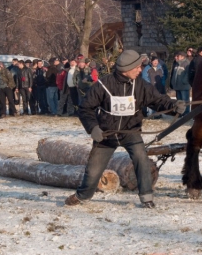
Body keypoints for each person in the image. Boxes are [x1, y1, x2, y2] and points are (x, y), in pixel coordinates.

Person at [64, 50, 186, 208]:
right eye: (137, 67)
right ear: (126, 69)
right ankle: (83, 195)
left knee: (142, 160)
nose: (140, 70)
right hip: (106, 134)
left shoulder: (141, 85)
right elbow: (85, 108)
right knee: (94, 169)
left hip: (131, 131)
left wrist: (173, 106)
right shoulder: (103, 84)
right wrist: (93, 127)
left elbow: (158, 100)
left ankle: (147, 197)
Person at [170, 51, 191, 116]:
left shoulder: (187, 63)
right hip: (177, 86)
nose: (176, 57)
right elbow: (174, 74)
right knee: (179, 100)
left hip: (184, 86)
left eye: (178, 56)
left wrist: (184, 81)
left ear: (182, 57)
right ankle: (180, 113)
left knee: (185, 100)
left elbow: (188, 74)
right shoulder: (176, 64)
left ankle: (186, 113)